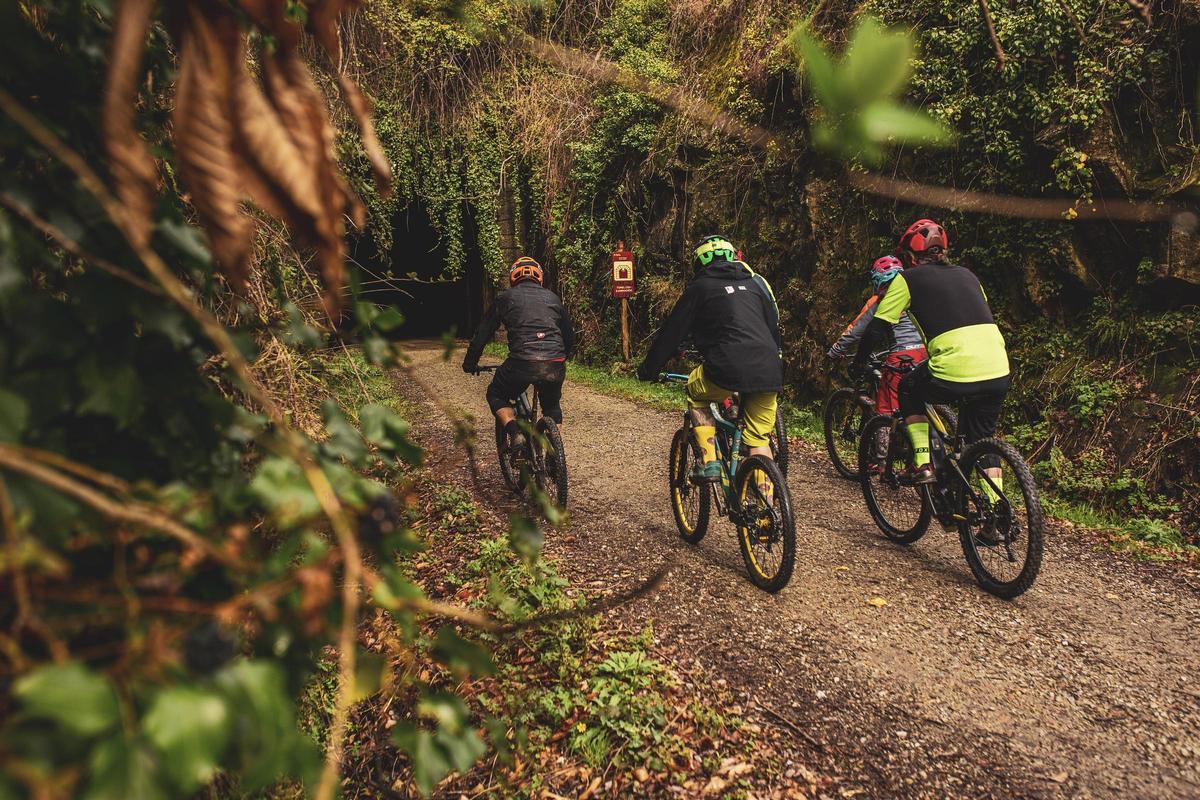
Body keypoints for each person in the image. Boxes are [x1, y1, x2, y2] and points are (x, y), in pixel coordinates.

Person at [851, 219, 1010, 496]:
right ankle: (996, 512)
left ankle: (922, 463)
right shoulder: (969, 275)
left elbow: (878, 326)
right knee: (981, 440)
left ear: (910, 256)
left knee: (907, 388)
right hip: (997, 367)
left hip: (953, 369)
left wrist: (858, 363)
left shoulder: (906, 280)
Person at [636, 235, 783, 490]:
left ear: (699, 262)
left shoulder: (700, 287)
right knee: (759, 439)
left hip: (726, 367)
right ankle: (766, 516)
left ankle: (709, 461)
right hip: (770, 369)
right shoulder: (755, 285)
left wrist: (648, 369)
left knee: (696, 392)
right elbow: (772, 326)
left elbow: (672, 333)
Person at [462, 256, 575, 455]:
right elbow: (569, 336)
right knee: (552, 406)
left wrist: (470, 362)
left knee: (496, 394)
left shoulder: (505, 298)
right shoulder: (553, 298)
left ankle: (515, 432)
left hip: (522, 363)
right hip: (555, 363)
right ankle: (553, 453)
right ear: (539, 277)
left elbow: (482, 333)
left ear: (513, 278)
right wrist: (563, 356)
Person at [827, 255, 927, 417]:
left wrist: (835, 351)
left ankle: (888, 439)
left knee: (887, 412)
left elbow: (855, 332)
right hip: (926, 353)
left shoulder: (881, 301)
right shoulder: (914, 296)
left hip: (902, 355)